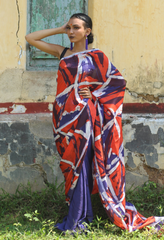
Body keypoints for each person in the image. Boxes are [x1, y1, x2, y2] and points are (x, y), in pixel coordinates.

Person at [25, 13, 164, 232]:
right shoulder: (63, 53)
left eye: (76, 28)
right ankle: (80, 210)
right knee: (72, 163)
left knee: (85, 161)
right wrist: (60, 28)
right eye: (70, 28)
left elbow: (116, 83)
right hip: (65, 118)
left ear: (87, 32)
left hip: (90, 117)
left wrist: (94, 93)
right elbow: (30, 37)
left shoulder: (97, 57)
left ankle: (82, 213)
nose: (71, 32)